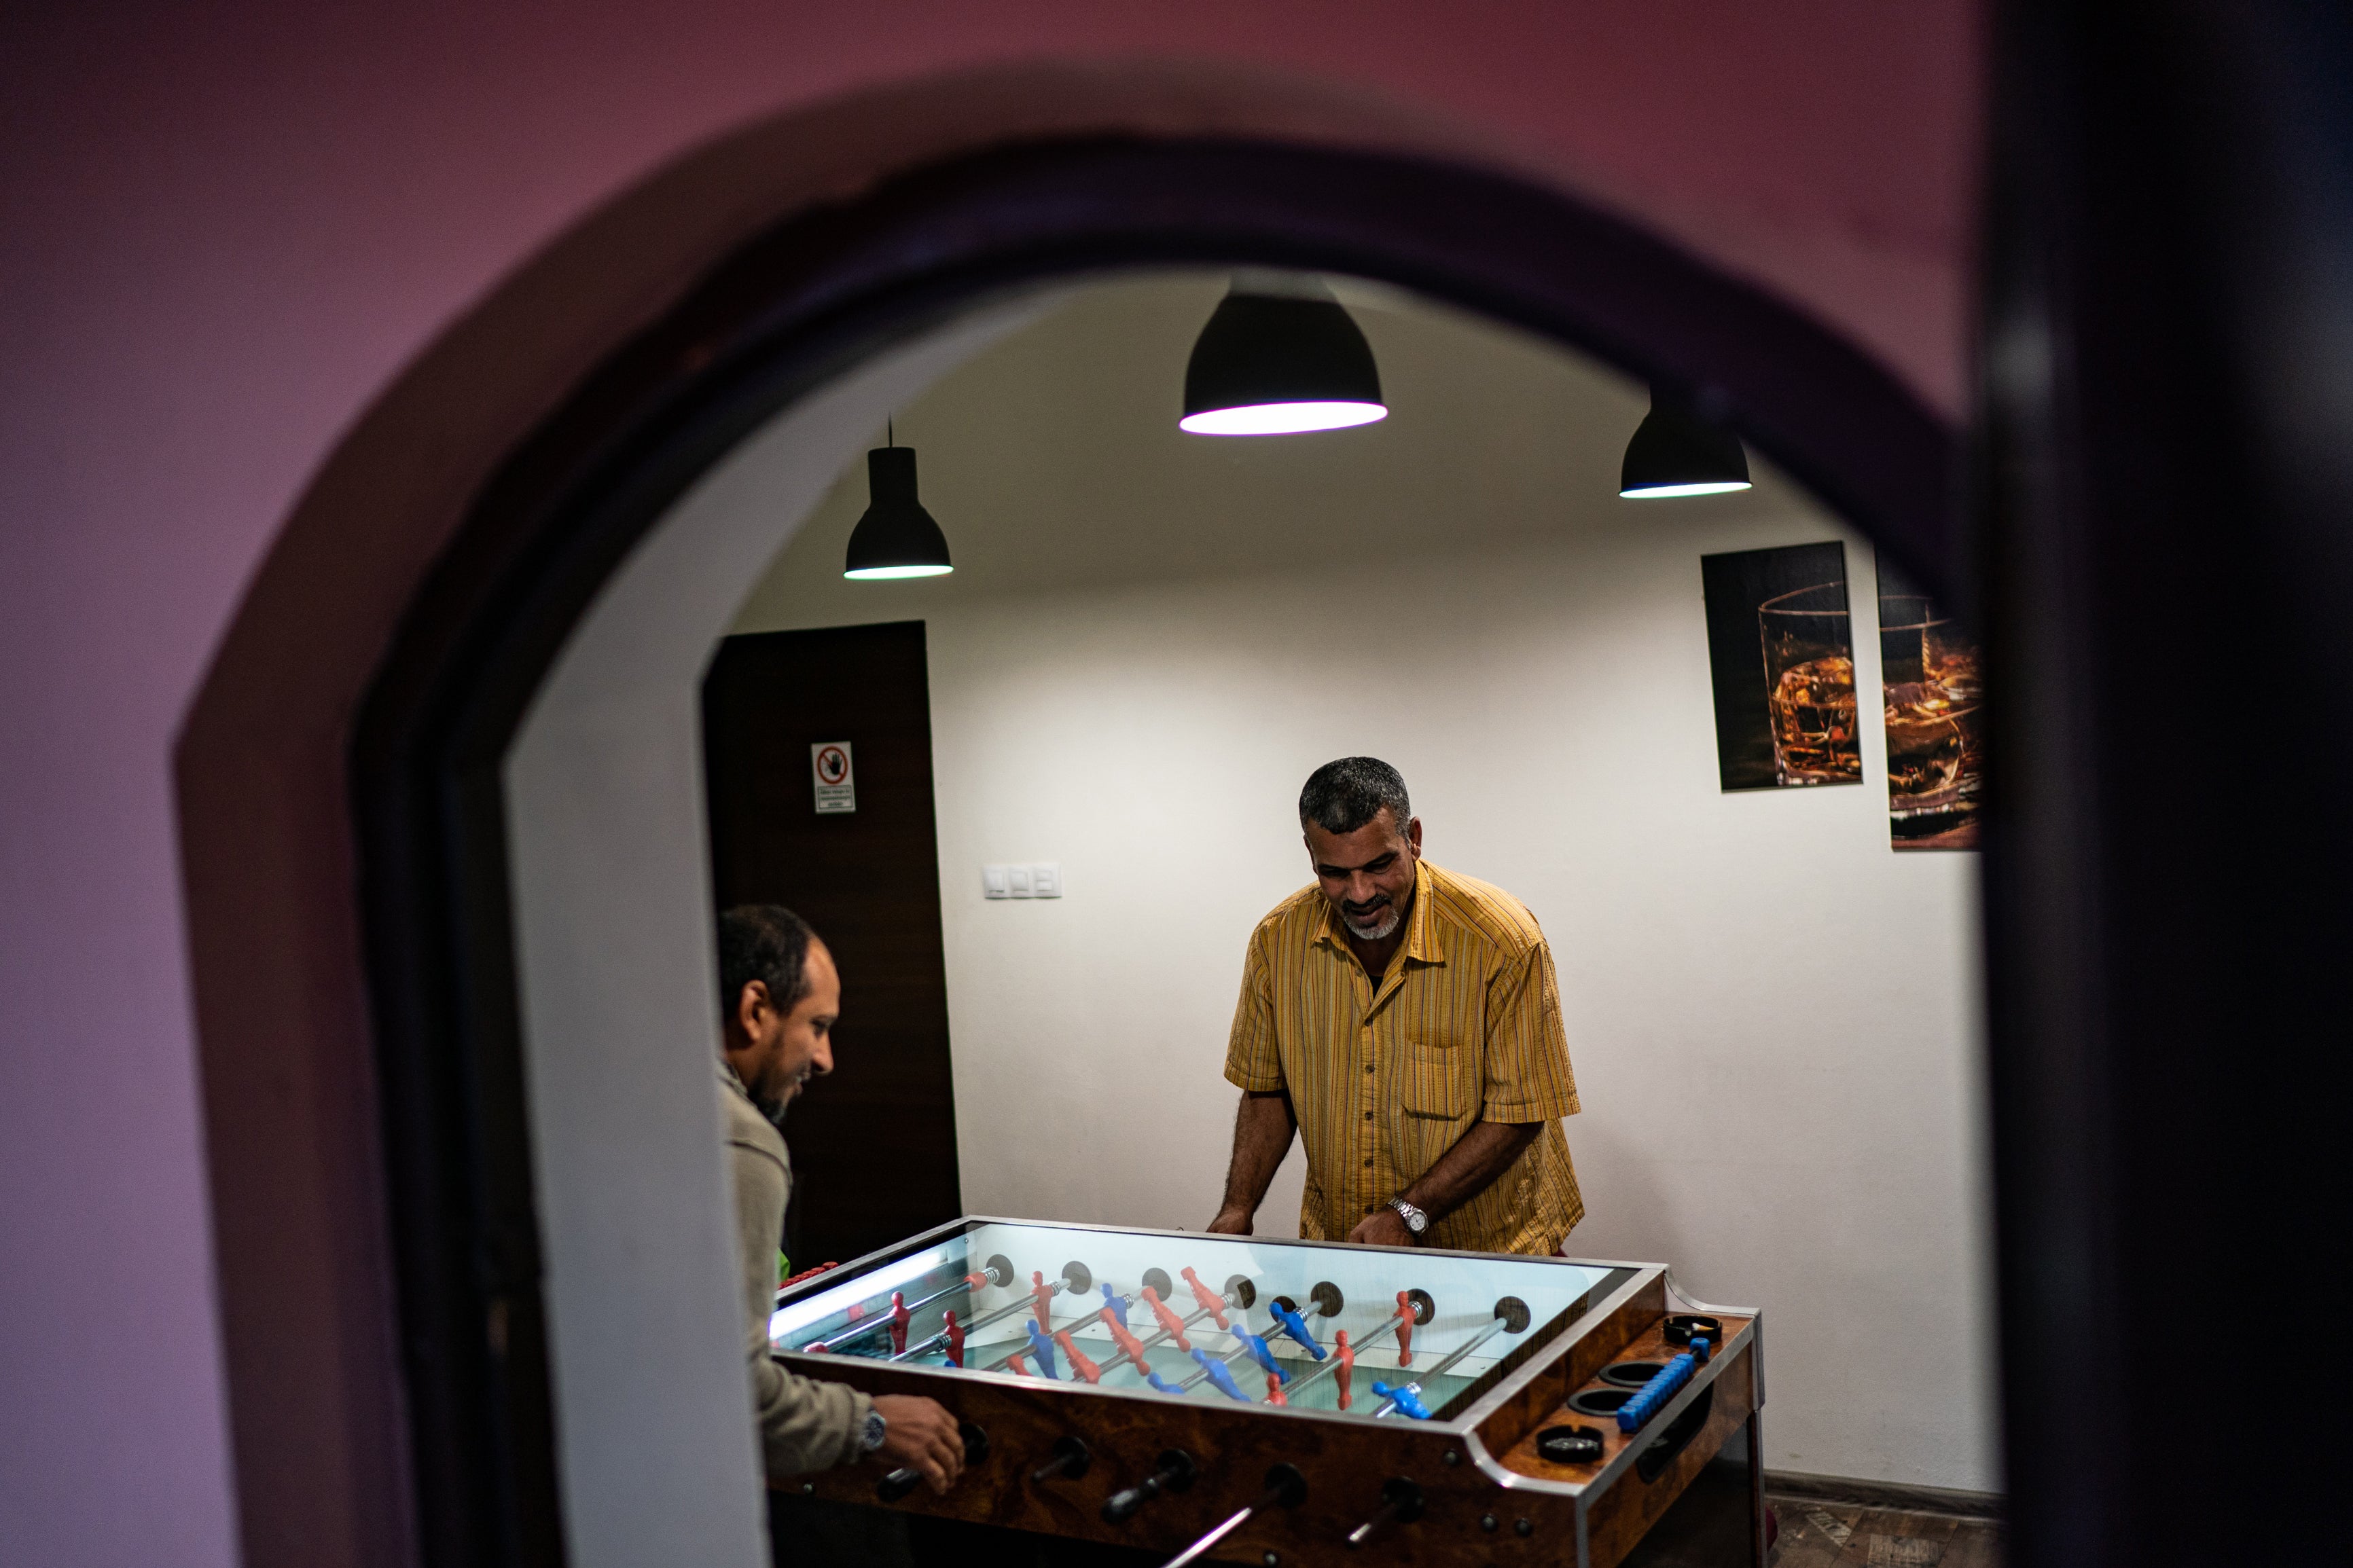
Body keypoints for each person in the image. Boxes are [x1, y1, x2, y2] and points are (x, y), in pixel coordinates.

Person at [1208, 758, 1584, 1255]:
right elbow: (1267, 1089)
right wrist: (1238, 1208)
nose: (1360, 893)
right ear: (1310, 854)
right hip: (1347, 1248)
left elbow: (1519, 1113)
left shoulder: (1502, 940)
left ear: (1415, 838)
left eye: (1379, 865)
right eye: (1335, 873)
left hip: (1493, 1253)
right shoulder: (1276, 943)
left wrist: (1407, 1212)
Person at [715, 905, 965, 1495]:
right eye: (818, 1026)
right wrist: (870, 1423)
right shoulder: (744, 1142)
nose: (825, 1059)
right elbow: (738, 1390)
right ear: (755, 1010)